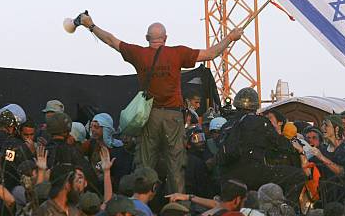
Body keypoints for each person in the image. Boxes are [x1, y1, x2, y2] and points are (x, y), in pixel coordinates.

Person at [77, 12, 243, 195]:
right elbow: (212, 54)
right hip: (173, 116)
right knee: (176, 163)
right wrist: (230, 37)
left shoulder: (138, 54)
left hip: (150, 115)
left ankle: (142, 199)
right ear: (165, 38)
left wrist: (90, 25)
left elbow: (111, 40)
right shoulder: (177, 53)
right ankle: (178, 204)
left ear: (147, 38)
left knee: (145, 162)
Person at [216, 88, 306, 206]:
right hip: (252, 173)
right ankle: (287, 211)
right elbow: (279, 144)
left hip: (227, 176)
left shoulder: (227, 125)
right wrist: (296, 147)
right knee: (297, 175)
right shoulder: (259, 122)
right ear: (255, 106)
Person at [44, 112, 99, 194]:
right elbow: (92, 180)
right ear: (67, 132)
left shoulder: (43, 150)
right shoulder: (71, 151)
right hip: (71, 198)